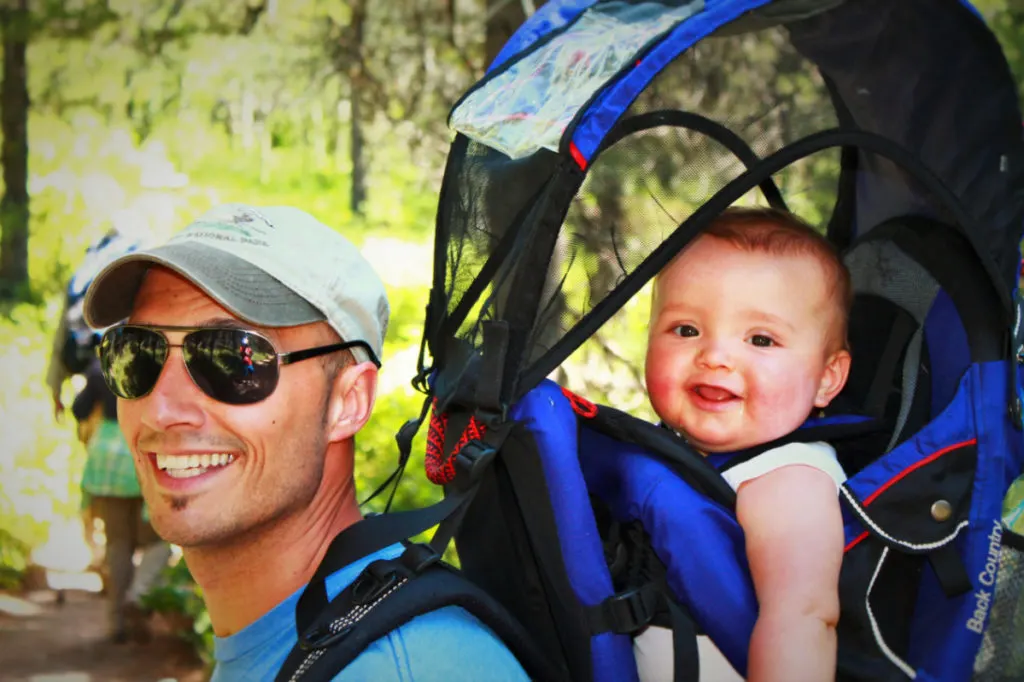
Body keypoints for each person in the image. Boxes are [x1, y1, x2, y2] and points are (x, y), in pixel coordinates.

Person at [82, 203, 530, 681]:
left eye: (234, 358)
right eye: (138, 353)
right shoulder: (303, 634)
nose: (161, 409)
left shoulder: (402, 671)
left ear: (349, 400)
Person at [636, 206, 853, 682]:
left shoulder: (788, 479)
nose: (714, 356)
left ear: (826, 379)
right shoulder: (664, 448)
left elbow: (803, 618)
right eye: (686, 330)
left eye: (760, 339)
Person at [71, 356, 172, 643]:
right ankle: (138, 593)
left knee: (118, 545)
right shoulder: (157, 362)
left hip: (106, 464)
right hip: (144, 454)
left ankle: (116, 622)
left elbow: (79, 409)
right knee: (158, 540)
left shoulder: (99, 367)